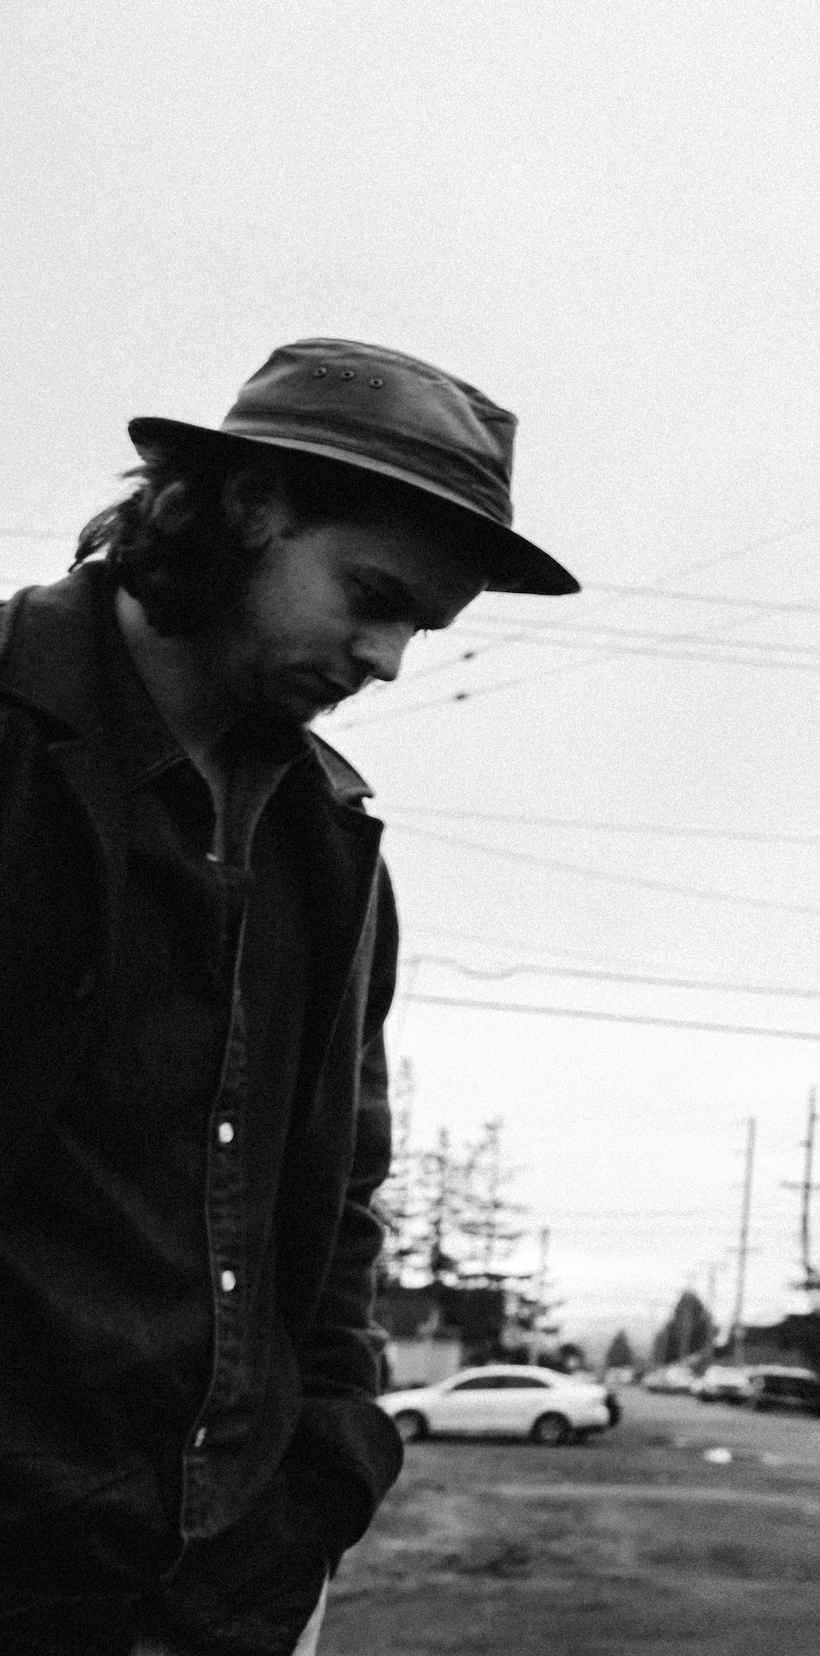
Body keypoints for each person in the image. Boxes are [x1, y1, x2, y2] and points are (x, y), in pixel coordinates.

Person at [0, 339, 577, 1656]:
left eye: (421, 627)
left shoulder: (329, 839)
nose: (385, 659)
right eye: (369, 595)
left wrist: (322, 1482)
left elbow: (341, 1208)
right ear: (252, 505)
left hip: (223, 1586)